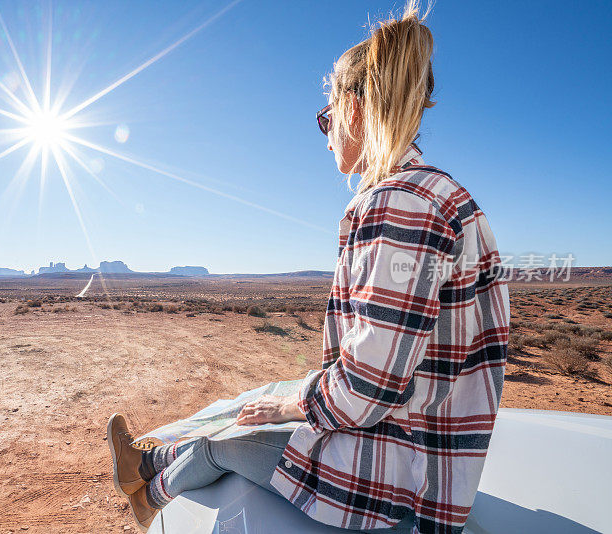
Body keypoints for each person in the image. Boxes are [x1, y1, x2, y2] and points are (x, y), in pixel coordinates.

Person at [107, 1, 510, 532]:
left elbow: (370, 384)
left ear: (355, 108)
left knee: (235, 433)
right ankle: (149, 458)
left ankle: (152, 480)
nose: (325, 135)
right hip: (421, 452)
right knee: (255, 399)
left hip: (397, 480)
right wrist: (294, 400)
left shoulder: (401, 205)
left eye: (326, 118)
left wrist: (297, 406)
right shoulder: (437, 195)